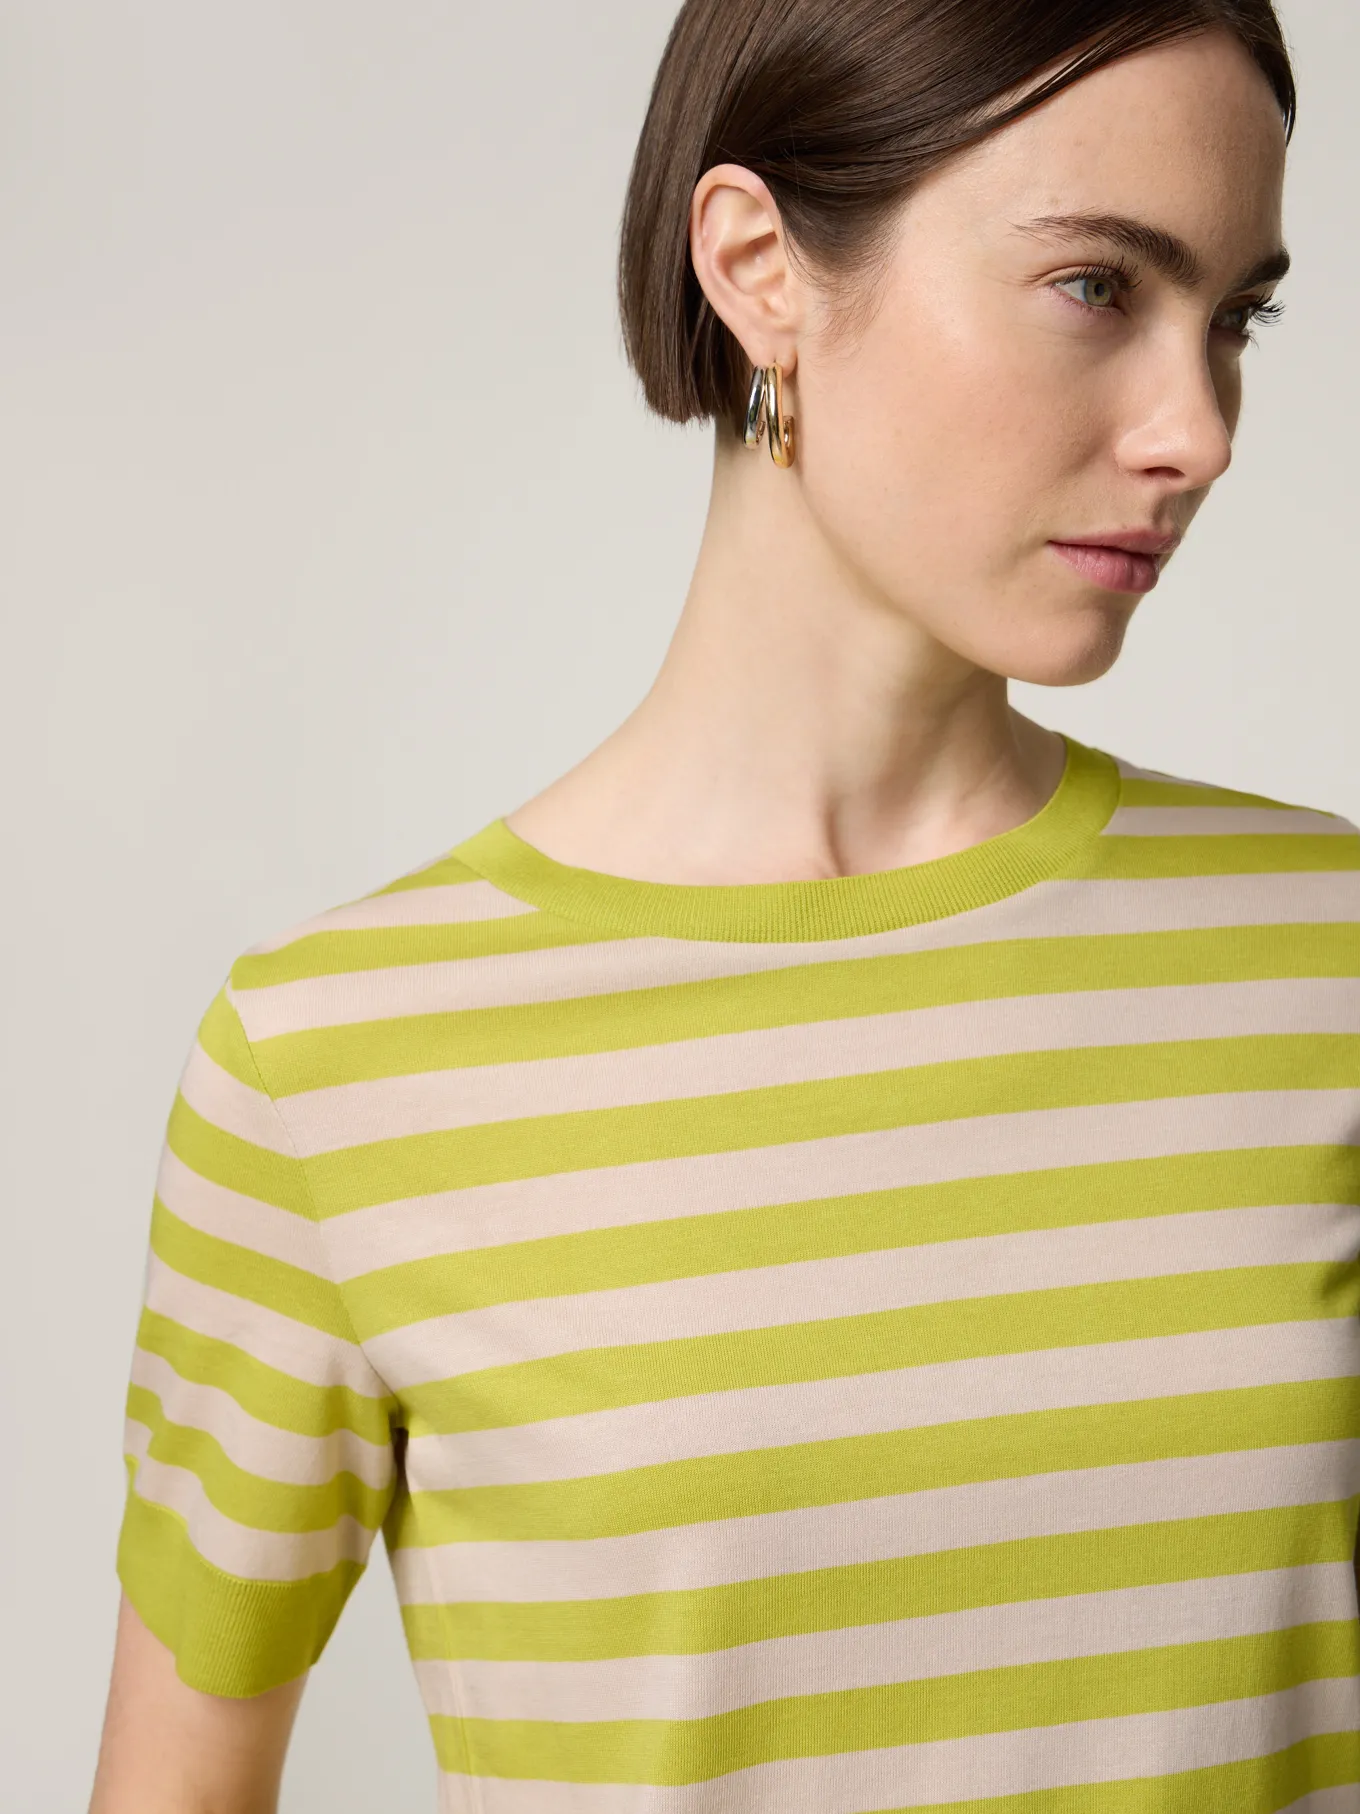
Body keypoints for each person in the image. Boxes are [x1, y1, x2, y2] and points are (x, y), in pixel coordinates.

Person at [90, 1, 1360, 1809]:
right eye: (1098, 286)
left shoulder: (1324, 958)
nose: (1199, 430)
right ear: (761, 268)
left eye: (1236, 318)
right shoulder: (335, 1065)